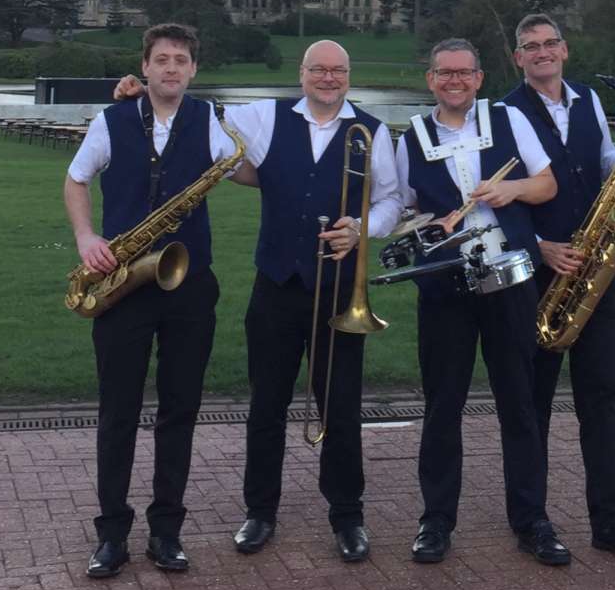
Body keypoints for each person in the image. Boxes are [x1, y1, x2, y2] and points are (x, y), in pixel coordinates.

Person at [115, 40, 401, 562]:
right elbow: (197, 116)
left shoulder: (372, 131)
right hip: (276, 285)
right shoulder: (263, 117)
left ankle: (347, 514)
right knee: (265, 405)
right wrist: (142, 94)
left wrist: (361, 229)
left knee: (340, 405)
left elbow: (392, 200)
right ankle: (260, 511)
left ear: (349, 75)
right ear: (302, 73)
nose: (329, 78)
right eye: (319, 69)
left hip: (338, 287)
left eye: (339, 70)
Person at [65, 22, 239, 578]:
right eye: (161, 59)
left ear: (193, 70)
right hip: (122, 284)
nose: (171, 68)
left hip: (189, 284)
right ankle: (111, 534)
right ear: (144, 67)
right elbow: (76, 181)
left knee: (180, 410)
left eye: (181, 60)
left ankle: (167, 532)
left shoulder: (210, 119)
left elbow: (248, 167)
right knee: (117, 412)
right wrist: (87, 239)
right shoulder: (111, 120)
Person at [394, 37, 570, 566]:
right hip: (446, 286)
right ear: (431, 80)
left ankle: (531, 518)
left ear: (479, 78)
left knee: (519, 401)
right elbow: (403, 211)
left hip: (510, 281)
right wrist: (425, 228)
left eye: (464, 73)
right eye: (444, 73)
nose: (455, 81)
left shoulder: (509, 121)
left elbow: (547, 185)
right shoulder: (413, 138)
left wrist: (511, 191)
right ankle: (436, 519)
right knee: (442, 404)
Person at [503, 13, 615, 562]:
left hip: (594, 265)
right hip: (537, 269)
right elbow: (497, 193)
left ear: (564, 50)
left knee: (601, 399)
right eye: (530, 46)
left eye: (549, 43)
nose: (541, 53)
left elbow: (602, 160)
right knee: (531, 403)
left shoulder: (589, 99)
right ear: (517, 58)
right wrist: (539, 244)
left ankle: (610, 523)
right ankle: (531, 522)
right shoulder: (502, 111)